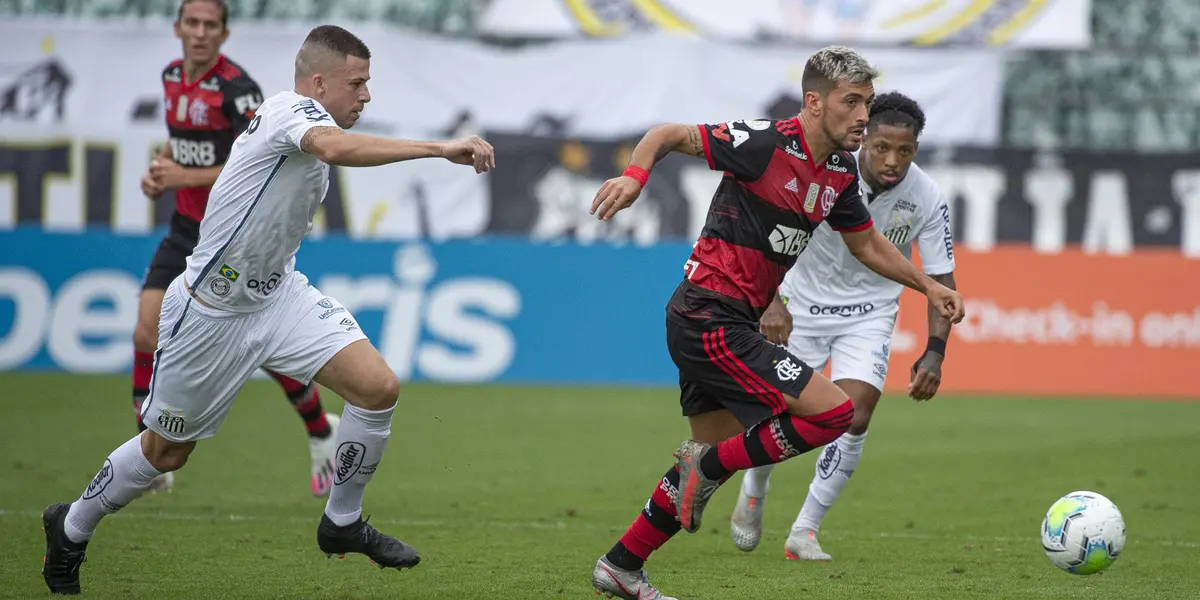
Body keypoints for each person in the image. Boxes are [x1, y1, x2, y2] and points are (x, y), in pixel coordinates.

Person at [41, 24, 496, 596]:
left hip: (278, 296)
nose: (367, 94)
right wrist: (438, 147)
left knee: (377, 387)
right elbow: (333, 148)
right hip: (211, 310)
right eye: (358, 83)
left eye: (369, 83)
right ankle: (72, 525)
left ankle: (341, 521)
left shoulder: (312, 124)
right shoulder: (289, 110)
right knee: (165, 452)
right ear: (319, 82)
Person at [586, 46, 964, 599]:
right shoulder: (764, 144)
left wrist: (929, 285)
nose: (864, 114)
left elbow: (867, 245)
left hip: (722, 320)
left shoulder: (837, 171)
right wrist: (636, 176)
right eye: (853, 103)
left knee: (705, 461)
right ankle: (711, 469)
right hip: (708, 314)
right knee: (834, 413)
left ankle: (622, 566)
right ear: (815, 103)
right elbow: (667, 133)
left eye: (867, 102)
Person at [730, 91, 958, 561]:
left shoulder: (928, 197)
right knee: (778, 414)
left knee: (854, 414)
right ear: (863, 138)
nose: (892, 160)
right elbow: (761, 230)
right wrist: (771, 300)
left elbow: (941, 281)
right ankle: (755, 484)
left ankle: (805, 530)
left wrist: (935, 349)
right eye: (881, 147)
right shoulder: (825, 171)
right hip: (799, 309)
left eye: (905, 151)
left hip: (869, 314)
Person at [134, 0, 339, 497]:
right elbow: (179, 141)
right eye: (192, 23)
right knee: (145, 329)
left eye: (210, 25)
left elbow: (247, 157)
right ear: (178, 27)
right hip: (186, 226)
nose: (200, 33)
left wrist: (186, 174)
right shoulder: (170, 77)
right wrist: (164, 167)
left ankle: (320, 430)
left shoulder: (238, 89)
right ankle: (149, 449)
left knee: (258, 344)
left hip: (232, 238)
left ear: (224, 34)